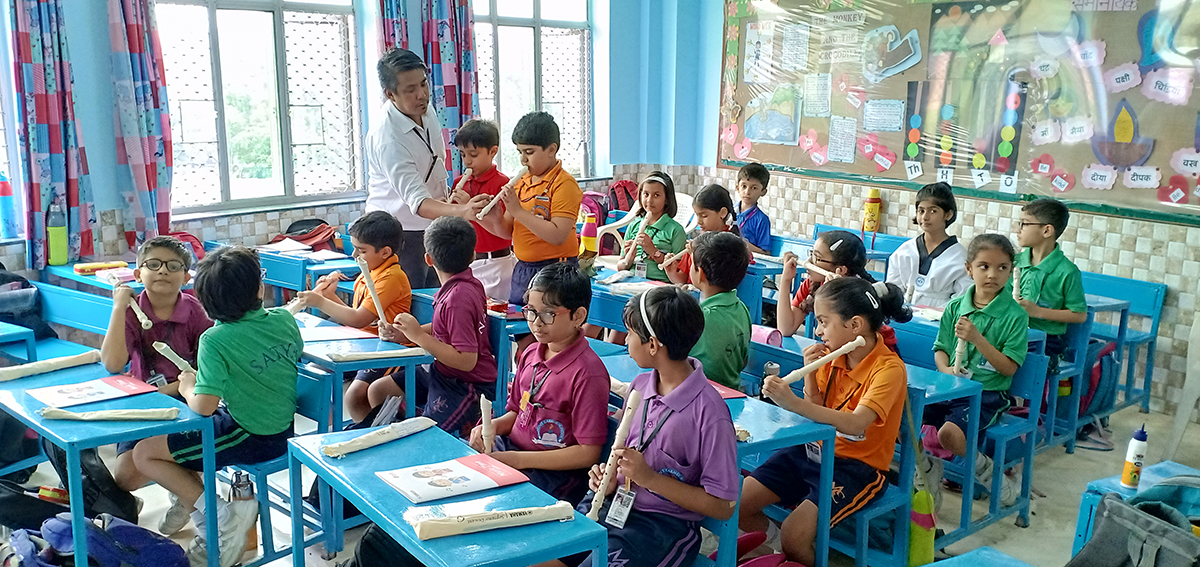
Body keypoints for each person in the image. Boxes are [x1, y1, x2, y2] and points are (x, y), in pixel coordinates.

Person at [130, 246, 302, 567]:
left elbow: (204, 407)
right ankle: (191, 499)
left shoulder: (215, 339)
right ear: (258, 289)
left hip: (251, 435)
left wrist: (187, 386)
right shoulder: (283, 320)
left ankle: (220, 516)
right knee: (180, 439)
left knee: (144, 453)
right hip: (281, 427)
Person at [551, 286, 740, 567]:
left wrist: (649, 479)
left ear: (653, 344)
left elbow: (722, 506)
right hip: (615, 506)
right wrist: (611, 476)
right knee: (539, 555)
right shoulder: (640, 387)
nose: (626, 340)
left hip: (662, 529)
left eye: (630, 334)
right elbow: (631, 456)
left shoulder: (710, 413)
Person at [739, 277, 911, 566]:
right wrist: (809, 374)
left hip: (858, 468)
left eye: (822, 321)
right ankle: (773, 551)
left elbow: (856, 425)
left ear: (854, 325)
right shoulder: (833, 356)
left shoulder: (889, 368)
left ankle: (792, 551)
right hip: (813, 451)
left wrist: (791, 403)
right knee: (737, 504)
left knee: (795, 536)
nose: (817, 331)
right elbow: (817, 407)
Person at [467, 262, 609, 504]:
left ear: (579, 316)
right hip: (515, 452)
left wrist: (519, 460)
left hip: (555, 474)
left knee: (496, 504)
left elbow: (588, 453)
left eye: (548, 314)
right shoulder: (531, 353)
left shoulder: (587, 374)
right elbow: (517, 412)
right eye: (531, 311)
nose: (536, 322)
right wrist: (490, 428)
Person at [365, 48, 489, 288]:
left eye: (424, 84)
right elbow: (419, 203)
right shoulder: (388, 138)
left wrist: (450, 202)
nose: (422, 95)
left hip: (433, 223)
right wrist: (463, 211)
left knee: (440, 295)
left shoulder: (424, 108)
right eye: (410, 90)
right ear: (390, 94)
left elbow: (433, 164)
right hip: (400, 232)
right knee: (408, 302)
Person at [102, 237, 213, 493]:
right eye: (153, 264)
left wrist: (170, 390)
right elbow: (112, 363)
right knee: (125, 478)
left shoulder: (196, 312)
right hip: (145, 405)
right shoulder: (131, 311)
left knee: (189, 457)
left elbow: (207, 370)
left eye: (173, 266)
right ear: (138, 274)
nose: (163, 270)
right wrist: (119, 307)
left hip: (188, 401)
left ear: (186, 277)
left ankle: (188, 496)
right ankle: (184, 489)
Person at [926, 234, 1028, 509]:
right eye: (984, 266)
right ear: (969, 268)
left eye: (1002, 267)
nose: (992, 274)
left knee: (950, 434)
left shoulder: (1015, 315)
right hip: (951, 386)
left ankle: (991, 474)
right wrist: (946, 369)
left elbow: (1008, 368)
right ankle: (926, 468)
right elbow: (941, 348)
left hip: (988, 393)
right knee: (901, 416)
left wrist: (977, 339)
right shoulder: (956, 306)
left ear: (1010, 270)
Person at [370, 217, 497, 436]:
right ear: (473, 255)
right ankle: (410, 424)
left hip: (468, 384)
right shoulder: (459, 286)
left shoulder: (458, 297)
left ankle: (417, 431)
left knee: (426, 435)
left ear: (428, 259)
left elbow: (466, 360)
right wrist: (403, 335)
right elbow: (444, 327)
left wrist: (418, 335)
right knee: (379, 390)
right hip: (441, 372)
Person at [296, 210, 413, 424]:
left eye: (361, 250)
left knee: (356, 395)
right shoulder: (371, 270)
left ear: (385, 252)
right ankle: (355, 427)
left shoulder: (391, 277)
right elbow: (356, 317)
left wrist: (320, 301)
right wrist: (329, 296)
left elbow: (359, 319)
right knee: (313, 375)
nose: (354, 256)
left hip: (387, 347)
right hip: (363, 343)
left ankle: (372, 431)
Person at [477, 111, 582, 307]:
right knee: (521, 328)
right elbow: (506, 232)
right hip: (523, 268)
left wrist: (518, 211)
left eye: (529, 152)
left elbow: (558, 235)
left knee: (550, 327)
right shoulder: (522, 182)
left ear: (552, 149)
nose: (523, 160)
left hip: (555, 270)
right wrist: (490, 217)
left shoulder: (564, 184)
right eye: (520, 152)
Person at [777, 230, 900, 352]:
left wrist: (828, 297)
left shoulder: (857, 296)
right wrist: (786, 280)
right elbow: (786, 328)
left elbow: (848, 348)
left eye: (817, 258)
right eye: (811, 255)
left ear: (840, 270)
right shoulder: (812, 284)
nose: (808, 262)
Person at [1013, 198, 1087, 366]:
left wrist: (1037, 311)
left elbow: (1080, 314)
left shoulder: (1067, 271)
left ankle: (1026, 392)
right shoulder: (1015, 262)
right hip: (1014, 333)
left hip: (1048, 342)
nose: (1018, 230)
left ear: (1046, 230)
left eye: (1024, 224)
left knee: (1022, 361)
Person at [451, 118, 515, 302]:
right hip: (466, 262)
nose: (467, 161)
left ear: (493, 151)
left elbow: (505, 231)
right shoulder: (459, 183)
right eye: (463, 155)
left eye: (473, 154)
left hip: (497, 263)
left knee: (494, 317)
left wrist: (467, 205)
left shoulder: (503, 184)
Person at [885, 182, 972, 308]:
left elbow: (963, 296)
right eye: (921, 211)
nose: (925, 217)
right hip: (904, 314)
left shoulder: (959, 256)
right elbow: (892, 289)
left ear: (948, 215)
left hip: (941, 318)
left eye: (933, 211)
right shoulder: (905, 250)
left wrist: (937, 311)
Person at [686, 231, 751, 390]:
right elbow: (743, 361)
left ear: (700, 273)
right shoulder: (741, 309)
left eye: (692, 264)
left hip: (699, 397)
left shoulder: (698, 318)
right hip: (731, 390)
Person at [664, 183, 744, 285]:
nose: (698, 221)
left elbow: (706, 283)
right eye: (697, 215)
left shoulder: (729, 246)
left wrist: (694, 256)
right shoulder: (697, 243)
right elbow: (682, 280)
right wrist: (671, 271)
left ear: (722, 213)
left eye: (704, 215)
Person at [615, 172, 687, 283]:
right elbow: (620, 267)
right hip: (632, 281)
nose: (649, 200)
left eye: (656, 195)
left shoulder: (676, 230)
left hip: (660, 286)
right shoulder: (634, 225)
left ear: (667, 199)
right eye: (646, 194)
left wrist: (654, 252)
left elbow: (680, 273)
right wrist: (629, 258)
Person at [736, 163, 773, 255]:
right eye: (744, 186)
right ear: (737, 187)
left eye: (754, 188)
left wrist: (747, 247)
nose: (747, 192)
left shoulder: (762, 220)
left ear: (763, 192)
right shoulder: (728, 212)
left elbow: (766, 253)